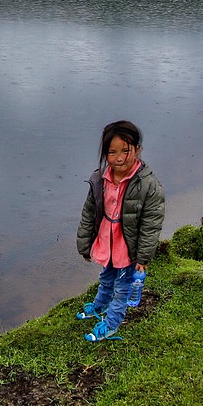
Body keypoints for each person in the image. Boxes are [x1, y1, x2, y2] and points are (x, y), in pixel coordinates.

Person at [75, 119, 165, 341]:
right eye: (113, 152)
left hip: (129, 246)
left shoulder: (148, 185)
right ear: (105, 153)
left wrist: (143, 257)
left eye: (126, 150)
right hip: (108, 240)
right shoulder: (100, 179)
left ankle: (113, 322)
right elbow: (89, 213)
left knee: (124, 287)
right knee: (106, 275)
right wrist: (85, 245)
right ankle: (101, 304)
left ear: (138, 149)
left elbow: (151, 223)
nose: (120, 158)